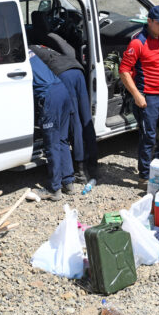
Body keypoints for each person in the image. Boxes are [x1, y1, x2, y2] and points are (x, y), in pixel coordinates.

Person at [119, 4, 159, 187]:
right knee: (148, 137)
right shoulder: (138, 42)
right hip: (148, 98)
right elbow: (123, 71)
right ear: (150, 21)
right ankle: (145, 175)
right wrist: (137, 95)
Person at [30, 44, 98, 181]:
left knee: (75, 122)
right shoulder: (38, 46)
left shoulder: (24, 50)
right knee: (86, 118)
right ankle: (94, 166)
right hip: (77, 69)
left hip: (63, 74)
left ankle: (80, 168)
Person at [29, 50, 79, 200]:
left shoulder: (15, 56)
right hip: (61, 90)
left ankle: (54, 188)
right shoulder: (31, 52)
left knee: (52, 144)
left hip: (50, 97)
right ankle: (68, 182)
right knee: (62, 139)